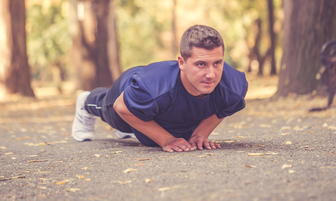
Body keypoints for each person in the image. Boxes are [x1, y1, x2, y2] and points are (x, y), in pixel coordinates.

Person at [72, 25, 248, 153]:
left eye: (217, 63)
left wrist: (200, 134)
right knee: (114, 115)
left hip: (158, 104)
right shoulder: (151, 88)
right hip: (132, 92)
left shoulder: (232, 87)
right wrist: (167, 139)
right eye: (201, 64)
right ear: (182, 63)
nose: (211, 74)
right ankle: (86, 102)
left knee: (150, 117)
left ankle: (140, 116)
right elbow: (121, 107)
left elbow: (225, 108)